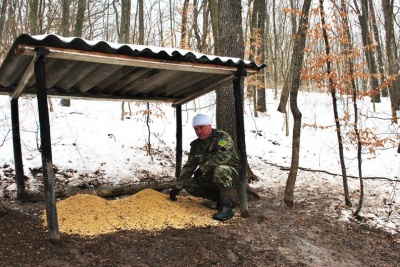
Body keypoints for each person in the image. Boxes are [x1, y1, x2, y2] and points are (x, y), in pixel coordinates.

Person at [169, 114, 239, 221]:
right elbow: (189, 166)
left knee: (221, 170)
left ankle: (227, 207)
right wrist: (178, 187)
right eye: (196, 129)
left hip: (231, 175)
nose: (199, 131)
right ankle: (220, 198)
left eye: (201, 127)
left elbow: (222, 156)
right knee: (189, 183)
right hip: (211, 176)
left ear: (209, 125)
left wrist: (202, 169)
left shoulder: (222, 138)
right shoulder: (196, 146)